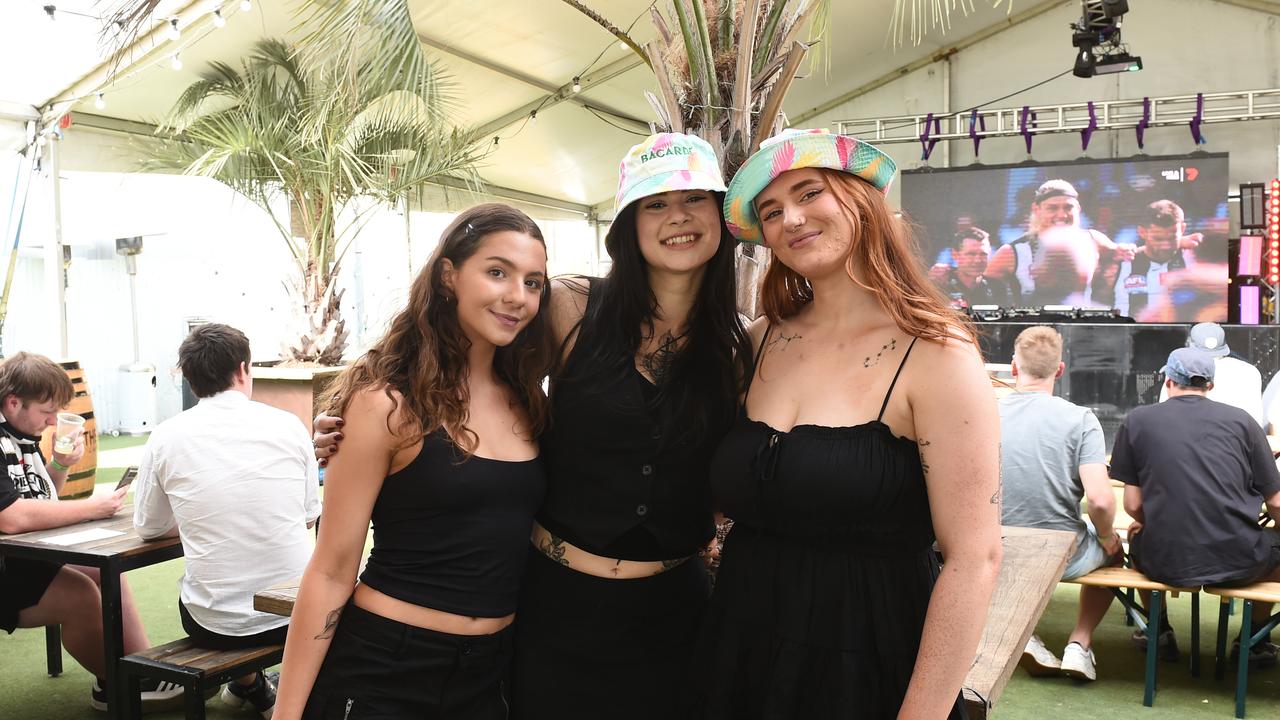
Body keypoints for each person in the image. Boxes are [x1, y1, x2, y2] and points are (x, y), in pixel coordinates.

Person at [312, 133, 753, 719]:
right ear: (628, 223)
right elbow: (465, 354)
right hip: (554, 608)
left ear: (721, 217)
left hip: (674, 614)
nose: (677, 216)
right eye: (654, 202)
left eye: (695, 199)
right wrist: (359, 415)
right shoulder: (570, 308)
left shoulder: (740, 345)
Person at [705, 128, 1002, 718]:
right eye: (770, 211)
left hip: (866, 658)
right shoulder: (759, 342)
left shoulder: (938, 352)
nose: (791, 218)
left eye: (809, 192)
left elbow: (975, 558)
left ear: (859, 199)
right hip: (738, 645)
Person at [273, 203, 555, 719]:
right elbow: (333, 570)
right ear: (449, 276)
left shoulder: (530, 401)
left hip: (490, 675)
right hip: (387, 669)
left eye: (534, 282)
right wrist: (287, 713)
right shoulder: (388, 402)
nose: (518, 296)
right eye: (497, 272)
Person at [132, 323, 321, 718]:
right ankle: (252, 686)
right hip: (298, 613)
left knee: (209, 595)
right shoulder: (288, 425)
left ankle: (251, 686)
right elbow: (307, 516)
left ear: (190, 379)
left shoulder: (166, 436)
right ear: (242, 369)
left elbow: (148, 528)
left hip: (214, 623)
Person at [0, 352, 183, 712]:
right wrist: (91, 507)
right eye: (46, 411)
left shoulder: (19, 433)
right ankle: (118, 684)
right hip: (7, 571)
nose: (53, 421)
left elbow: (37, 497)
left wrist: (59, 465)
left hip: (20, 560)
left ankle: (142, 668)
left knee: (107, 570)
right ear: (13, 402)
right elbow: (10, 518)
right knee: (81, 593)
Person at [1113, 347, 1280, 664]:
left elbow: (1133, 504)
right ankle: (1254, 640)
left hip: (1164, 558)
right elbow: (1276, 502)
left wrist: (1153, 521)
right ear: (1211, 386)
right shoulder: (1243, 422)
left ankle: (1159, 632)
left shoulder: (1137, 421)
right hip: (1240, 559)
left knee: (1136, 534)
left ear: (1167, 381)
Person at [998, 326, 1121, 682]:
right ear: (1060, 370)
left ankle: (1021, 630)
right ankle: (1079, 645)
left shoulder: (984, 414)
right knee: (1113, 552)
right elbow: (1099, 499)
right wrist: (1108, 536)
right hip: (1059, 555)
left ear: (1014, 368)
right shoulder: (1081, 420)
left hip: (993, 547)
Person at [985, 179, 1130, 307]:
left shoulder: (1093, 240)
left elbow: (1123, 256)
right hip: (1034, 332)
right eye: (1052, 208)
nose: (1062, 215)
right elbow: (984, 289)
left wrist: (1126, 249)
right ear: (1036, 209)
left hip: (1081, 331)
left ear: (1078, 209)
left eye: (1068, 207)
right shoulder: (1012, 252)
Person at [1093, 200, 1203, 318]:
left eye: (1172, 238)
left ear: (1182, 229)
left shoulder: (1196, 260)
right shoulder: (1123, 263)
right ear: (1142, 232)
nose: (1166, 246)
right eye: (1158, 239)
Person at [1157, 322, 1264, 428]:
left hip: (1187, 439)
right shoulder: (1250, 371)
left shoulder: (1181, 368)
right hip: (1238, 441)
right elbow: (1256, 422)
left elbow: (1164, 414)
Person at [933, 227, 1015, 309]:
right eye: (971, 254)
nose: (978, 260)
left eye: (983, 254)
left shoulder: (997, 288)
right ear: (955, 254)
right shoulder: (940, 283)